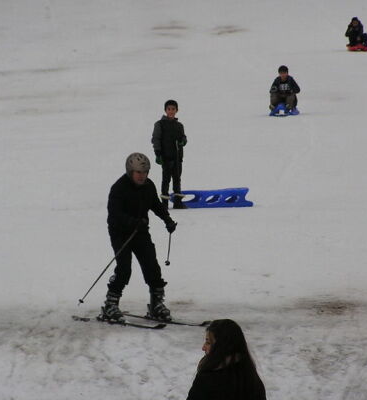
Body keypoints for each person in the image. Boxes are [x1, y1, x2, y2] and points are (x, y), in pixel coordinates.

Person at [101, 152, 178, 322]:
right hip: (120, 233)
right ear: (130, 171)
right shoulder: (119, 188)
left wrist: (168, 220)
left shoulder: (148, 186)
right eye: (139, 172)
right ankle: (110, 305)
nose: (142, 176)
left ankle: (156, 304)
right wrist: (133, 222)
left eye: (145, 172)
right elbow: (114, 214)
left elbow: (156, 205)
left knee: (152, 266)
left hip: (141, 232)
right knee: (124, 268)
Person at [187, 319, 267, 400]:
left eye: (208, 342)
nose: (203, 348)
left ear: (221, 347)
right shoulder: (251, 378)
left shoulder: (207, 379)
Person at [152, 99, 188, 209]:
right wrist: (158, 153)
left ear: (177, 110)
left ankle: (177, 202)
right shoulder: (160, 124)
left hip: (177, 157)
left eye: (173, 109)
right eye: (169, 109)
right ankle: (165, 203)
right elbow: (156, 138)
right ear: (165, 110)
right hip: (166, 157)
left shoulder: (179, 125)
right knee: (166, 179)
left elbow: (183, 137)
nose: (171, 111)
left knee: (177, 178)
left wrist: (183, 140)